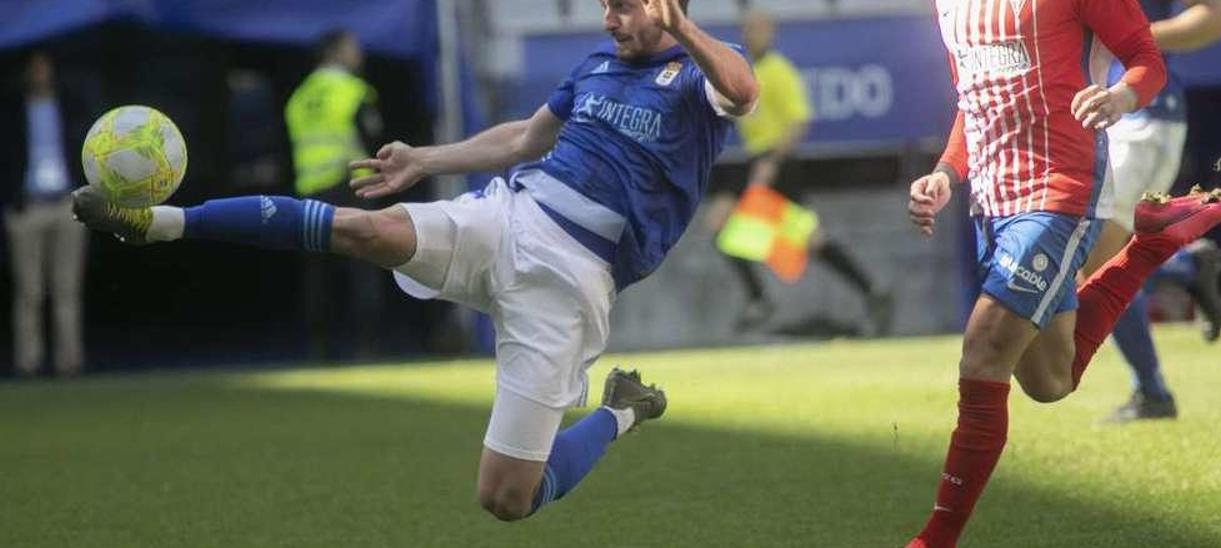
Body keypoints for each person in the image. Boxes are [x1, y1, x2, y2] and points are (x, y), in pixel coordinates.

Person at [73, 0, 757, 522]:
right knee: (365, 231)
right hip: (510, 217)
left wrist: (688, 33)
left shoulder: (695, 78)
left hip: (575, 279)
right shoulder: (595, 68)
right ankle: (161, 222)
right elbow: (524, 137)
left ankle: (620, 412)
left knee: (507, 499)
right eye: (603, 5)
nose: (608, 19)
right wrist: (425, 158)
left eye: (623, 6)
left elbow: (743, 91)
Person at [903, 1, 1221, 546]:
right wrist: (947, 173)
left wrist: (1119, 97)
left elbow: (1146, 58)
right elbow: (973, 100)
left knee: (985, 349)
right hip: (992, 201)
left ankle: (934, 538)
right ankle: (1151, 248)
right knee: (1048, 381)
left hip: (1060, 188)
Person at [1090, 0, 1221, 423]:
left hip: (1139, 117)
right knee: (1095, 266)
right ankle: (1187, 269)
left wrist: (1132, 37)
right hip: (1123, 116)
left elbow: (1216, 18)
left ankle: (1152, 393)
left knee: (1097, 269)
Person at [705, 9, 891, 333]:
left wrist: (773, 163)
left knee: (811, 240)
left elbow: (798, 122)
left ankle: (872, 291)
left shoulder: (779, 71)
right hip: (754, 160)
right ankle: (759, 298)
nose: (752, 34)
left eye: (758, 28)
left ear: (770, 33)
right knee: (717, 223)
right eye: (747, 29)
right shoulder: (746, 71)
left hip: (777, 163)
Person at [285, 29, 385, 360]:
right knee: (364, 266)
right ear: (335, 52)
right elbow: (374, 140)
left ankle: (318, 347)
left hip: (310, 189)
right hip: (350, 185)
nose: (359, 53)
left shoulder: (299, 97)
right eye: (353, 47)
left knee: (317, 274)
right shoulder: (352, 90)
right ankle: (367, 346)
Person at [1, 51, 92, 378]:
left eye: (45, 68)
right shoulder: (11, 112)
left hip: (65, 204)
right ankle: (29, 363)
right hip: (27, 206)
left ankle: (70, 362)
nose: (40, 74)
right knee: (29, 291)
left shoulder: (69, 107)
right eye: (34, 69)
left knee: (67, 288)